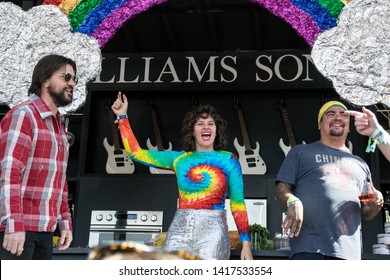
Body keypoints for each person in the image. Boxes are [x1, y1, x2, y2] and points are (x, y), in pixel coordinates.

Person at [111, 92, 253, 260]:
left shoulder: (229, 160)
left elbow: (238, 204)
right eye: (200, 124)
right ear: (192, 131)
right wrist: (122, 117)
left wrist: (246, 243)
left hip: (213, 231)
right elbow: (136, 153)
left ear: (217, 130)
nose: (206, 127)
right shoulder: (179, 159)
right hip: (180, 228)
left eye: (211, 124)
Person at [275, 100, 384, 260]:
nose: (337, 117)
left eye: (343, 115)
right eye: (330, 114)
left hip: (349, 254)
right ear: (320, 125)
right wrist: (293, 201)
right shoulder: (301, 152)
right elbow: (281, 189)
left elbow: (365, 209)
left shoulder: (360, 164)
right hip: (309, 250)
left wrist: (375, 204)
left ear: (349, 125)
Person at [0, 54, 76, 259]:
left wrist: (64, 223)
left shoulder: (59, 127)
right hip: (17, 230)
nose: (71, 83)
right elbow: (9, 172)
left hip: (45, 230)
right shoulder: (24, 115)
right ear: (44, 80)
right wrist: (14, 223)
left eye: (74, 79)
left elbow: (59, 181)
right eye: (66, 77)